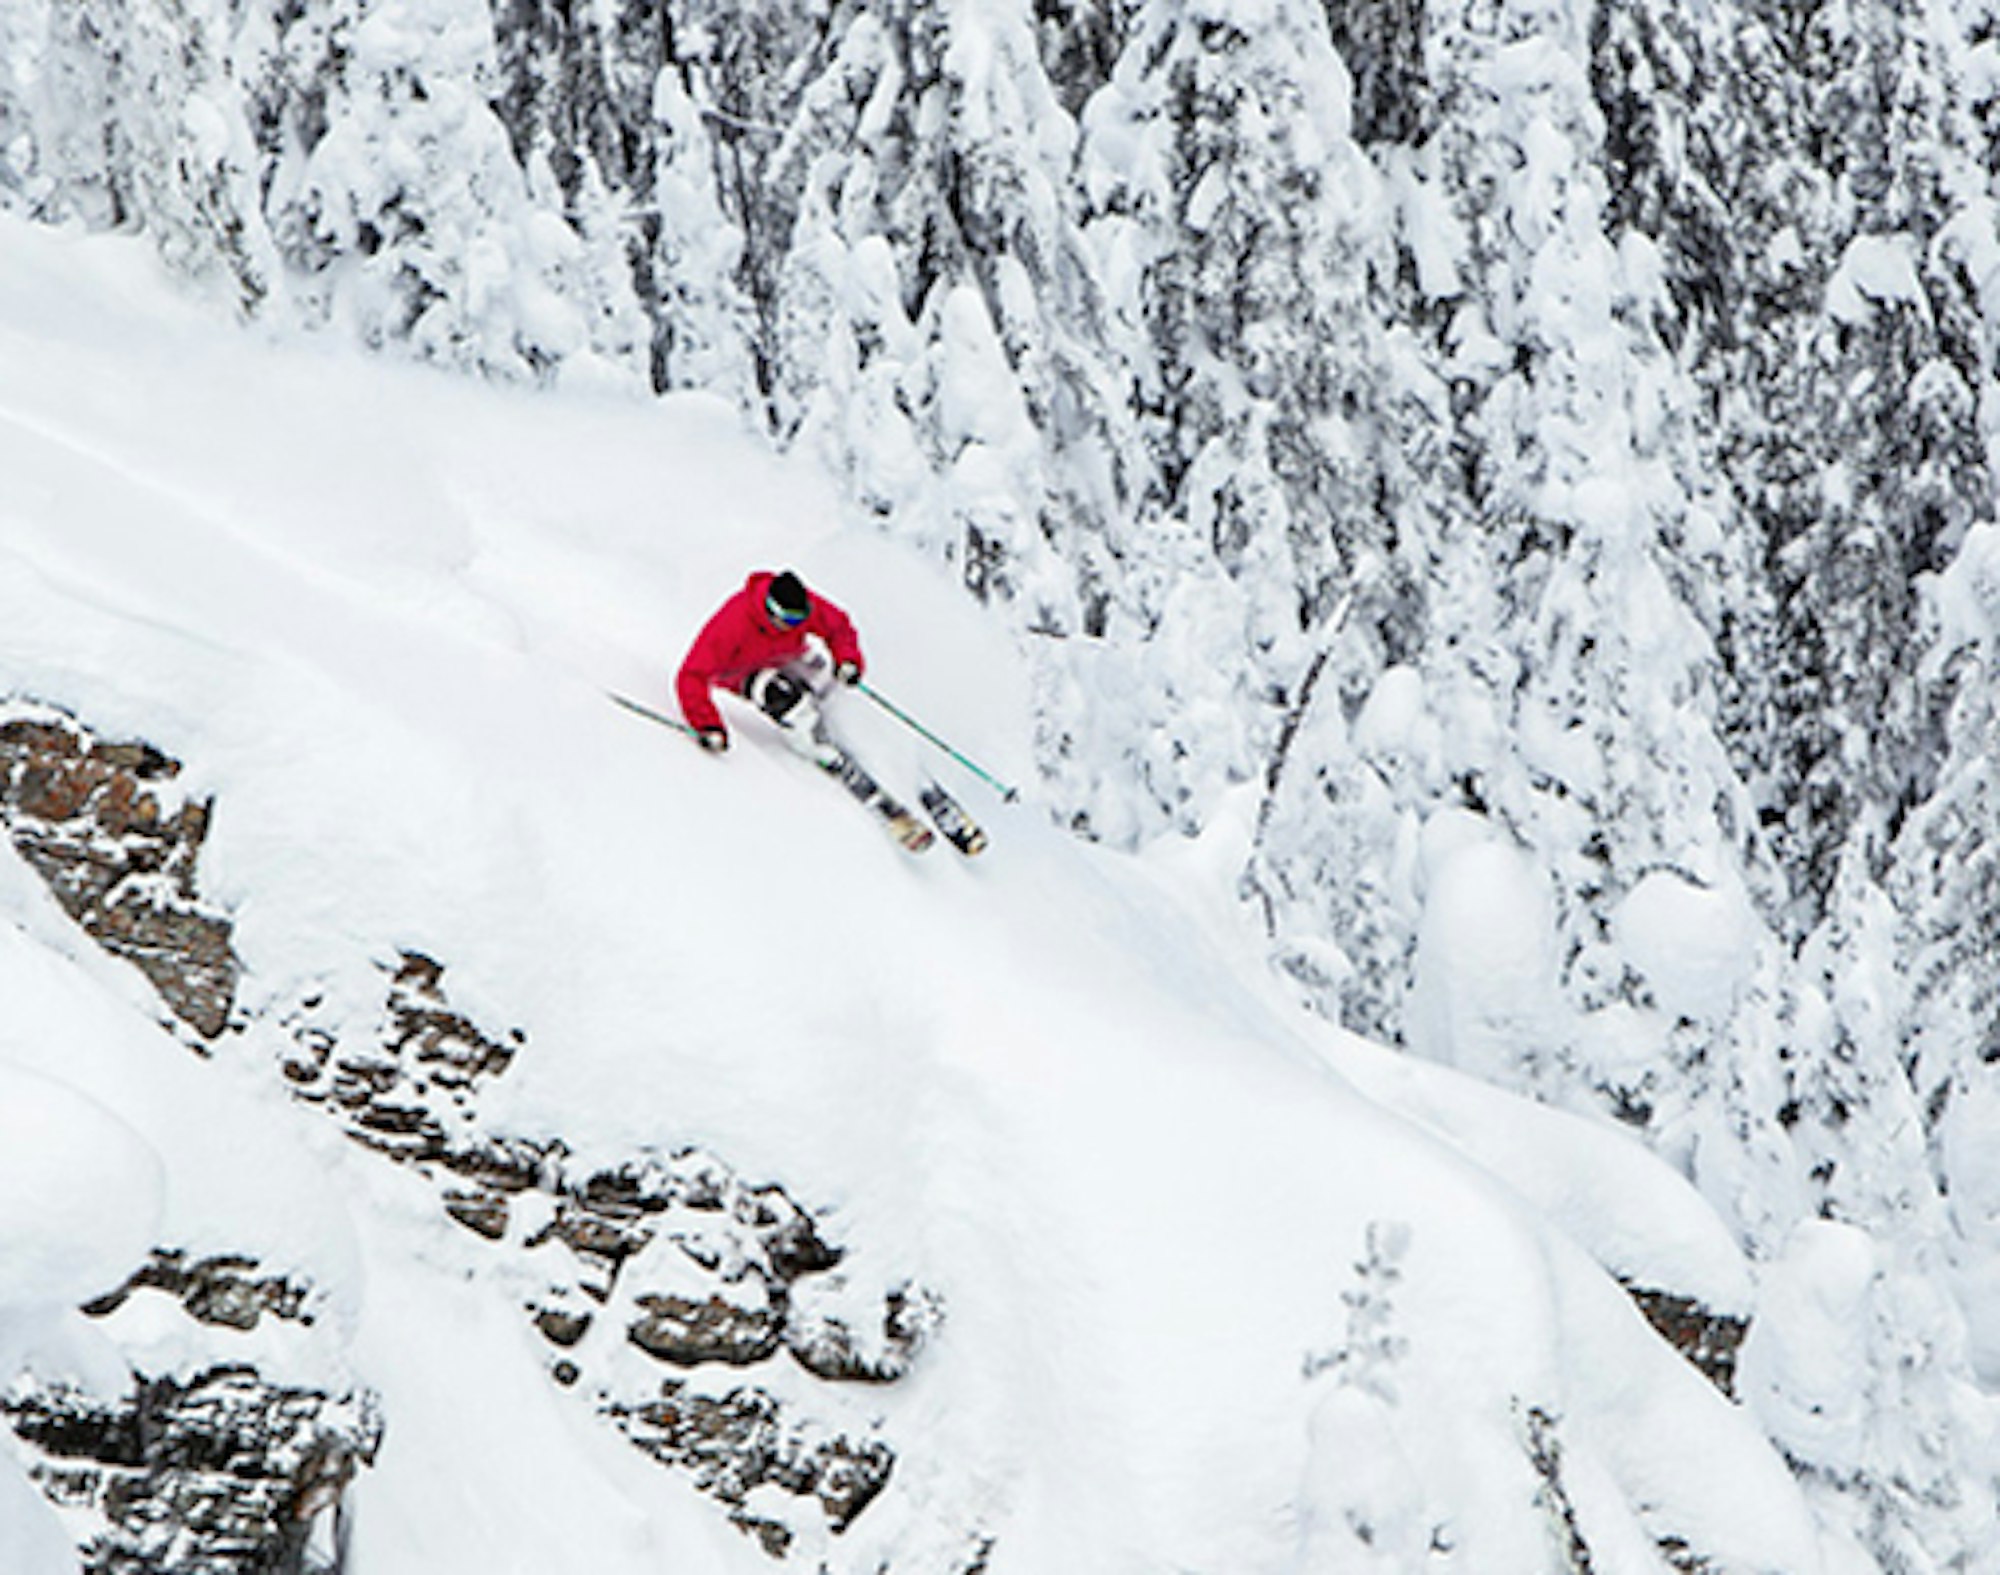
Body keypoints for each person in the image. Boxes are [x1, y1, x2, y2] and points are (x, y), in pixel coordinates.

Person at [675, 570, 865, 752]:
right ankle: (815, 747)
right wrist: (708, 725)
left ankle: (846, 735)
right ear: (772, 610)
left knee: (827, 683)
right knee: (783, 694)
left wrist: (848, 660)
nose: (794, 625)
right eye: (789, 619)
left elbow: (837, 626)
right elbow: (691, 675)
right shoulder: (734, 621)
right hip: (742, 673)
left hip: (789, 655)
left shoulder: (801, 605)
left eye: (800, 619)